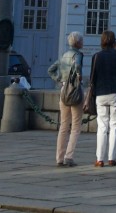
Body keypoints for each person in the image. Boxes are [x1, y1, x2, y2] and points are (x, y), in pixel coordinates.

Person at [88, 30, 116, 167]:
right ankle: (112, 158)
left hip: (101, 94)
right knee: (114, 126)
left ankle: (99, 159)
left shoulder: (96, 56)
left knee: (102, 127)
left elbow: (92, 77)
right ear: (114, 41)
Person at [48, 31, 86, 167]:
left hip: (64, 90)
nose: (83, 43)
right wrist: (79, 76)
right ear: (78, 43)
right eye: (82, 41)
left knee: (63, 125)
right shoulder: (78, 55)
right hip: (75, 89)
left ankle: (59, 157)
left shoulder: (64, 56)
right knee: (76, 126)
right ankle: (69, 157)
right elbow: (78, 67)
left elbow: (50, 70)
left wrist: (59, 79)